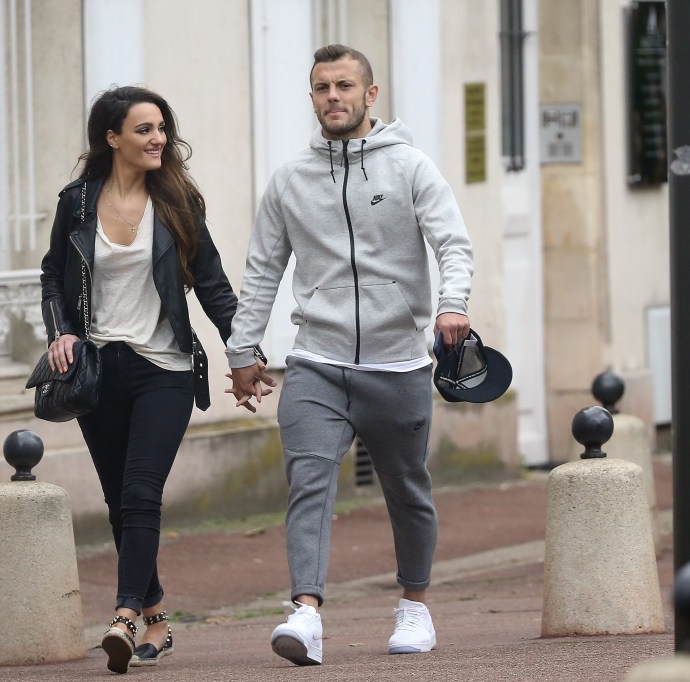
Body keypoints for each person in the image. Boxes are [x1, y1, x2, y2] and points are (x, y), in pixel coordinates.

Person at [225, 44, 474, 665]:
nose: (331, 97)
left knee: (407, 487)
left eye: (342, 86)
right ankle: (305, 613)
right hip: (318, 360)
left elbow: (452, 243)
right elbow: (261, 272)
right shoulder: (290, 182)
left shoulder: (411, 168)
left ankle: (414, 607)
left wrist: (452, 303)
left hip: (398, 363)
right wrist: (242, 349)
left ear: (370, 95)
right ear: (311, 98)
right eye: (320, 88)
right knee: (308, 478)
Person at [40, 85, 256, 675]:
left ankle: (126, 613)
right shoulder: (78, 202)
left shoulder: (179, 202)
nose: (158, 138)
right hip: (98, 371)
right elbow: (53, 274)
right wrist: (60, 331)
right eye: (143, 129)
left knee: (140, 492)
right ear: (112, 138)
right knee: (120, 500)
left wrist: (243, 353)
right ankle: (157, 613)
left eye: (161, 128)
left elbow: (212, 285)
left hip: (166, 369)